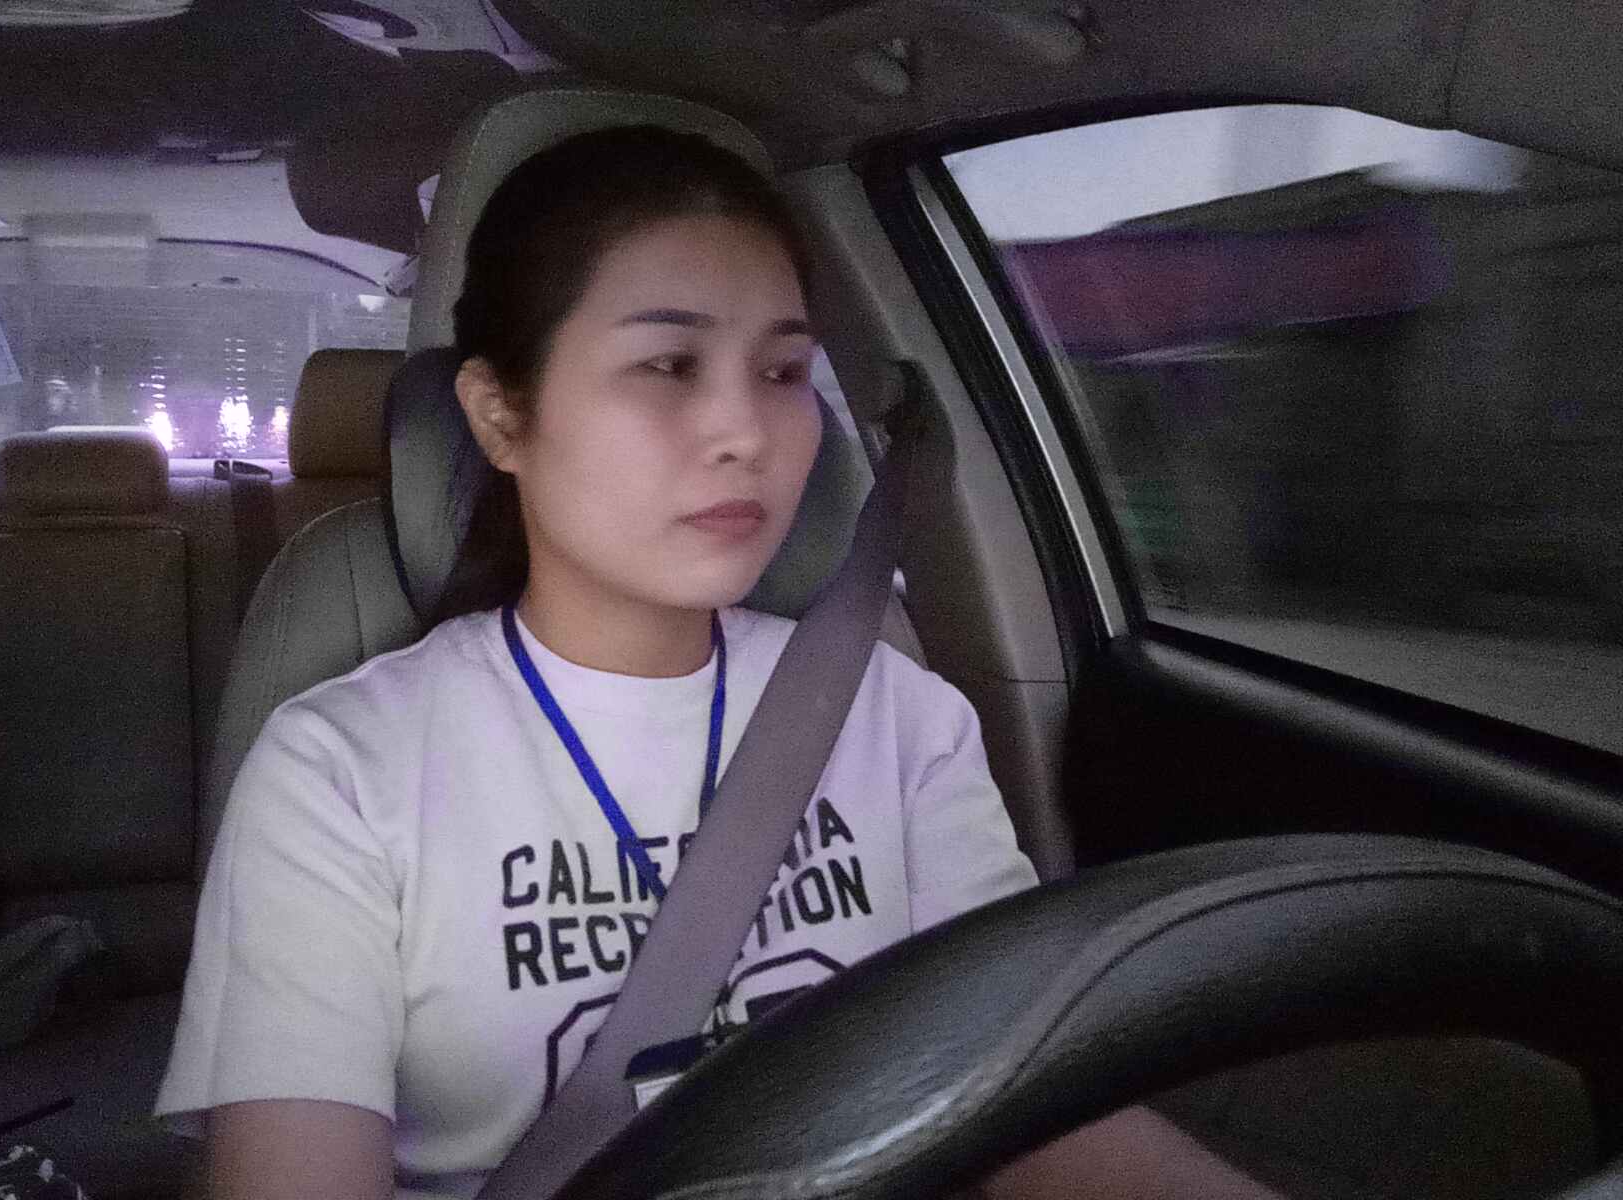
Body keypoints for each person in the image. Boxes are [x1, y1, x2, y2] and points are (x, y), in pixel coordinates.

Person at [155, 125, 1282, 1200]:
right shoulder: (341, 771)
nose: (746, 431)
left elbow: (1030, 1106)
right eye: (667, 364)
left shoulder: (892, 712)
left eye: (785, 372)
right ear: (499, 417)